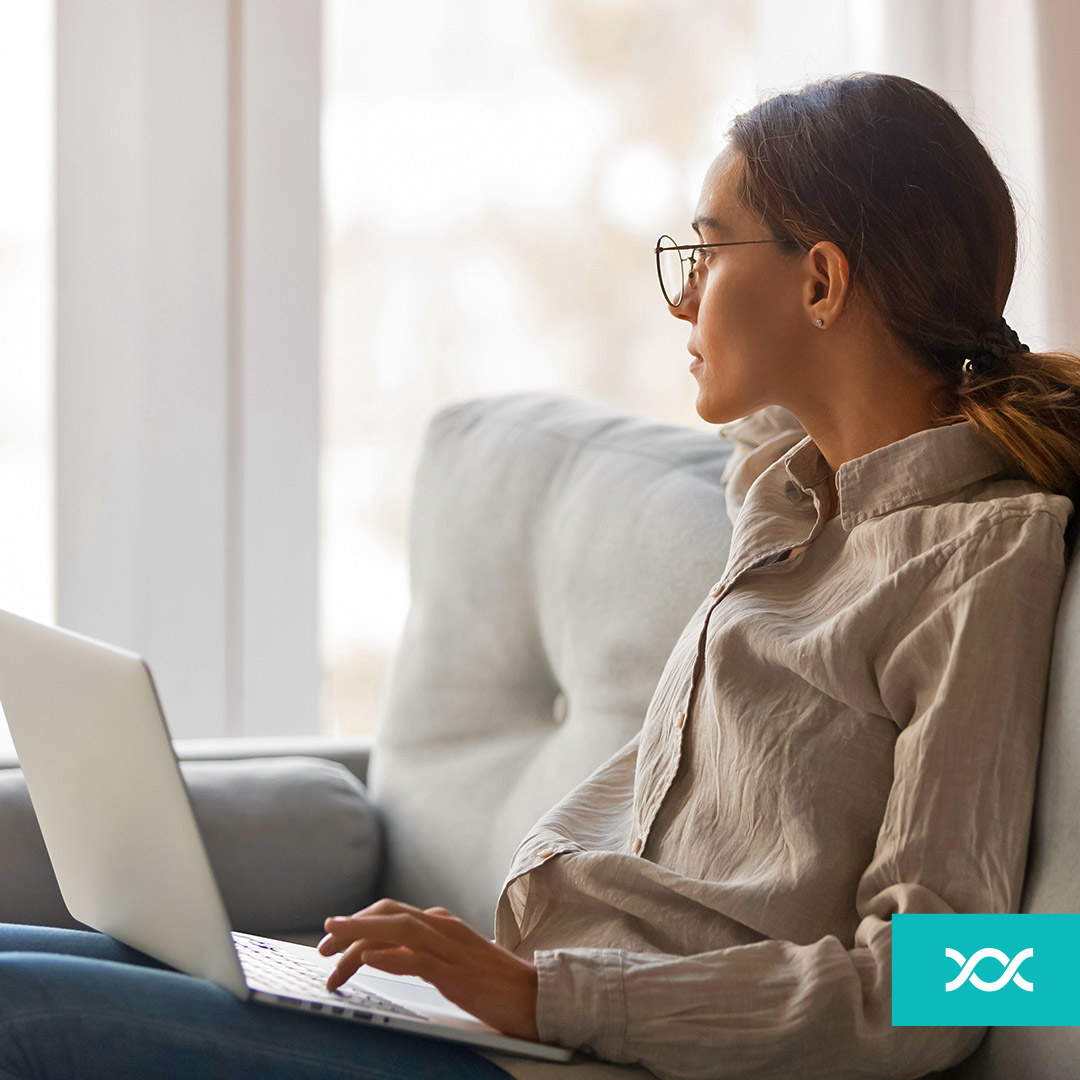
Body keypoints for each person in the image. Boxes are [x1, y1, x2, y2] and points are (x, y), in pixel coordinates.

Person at [3, 70, 1080, 1080]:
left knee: (22, 1010)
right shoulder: (790, 491)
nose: (680, 300)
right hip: (523, 1026)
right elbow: (837, 387)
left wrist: (542, 996)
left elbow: (949, 987)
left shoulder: (979, 559)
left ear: (822, 279)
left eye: (705, 252)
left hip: (579, 1049)